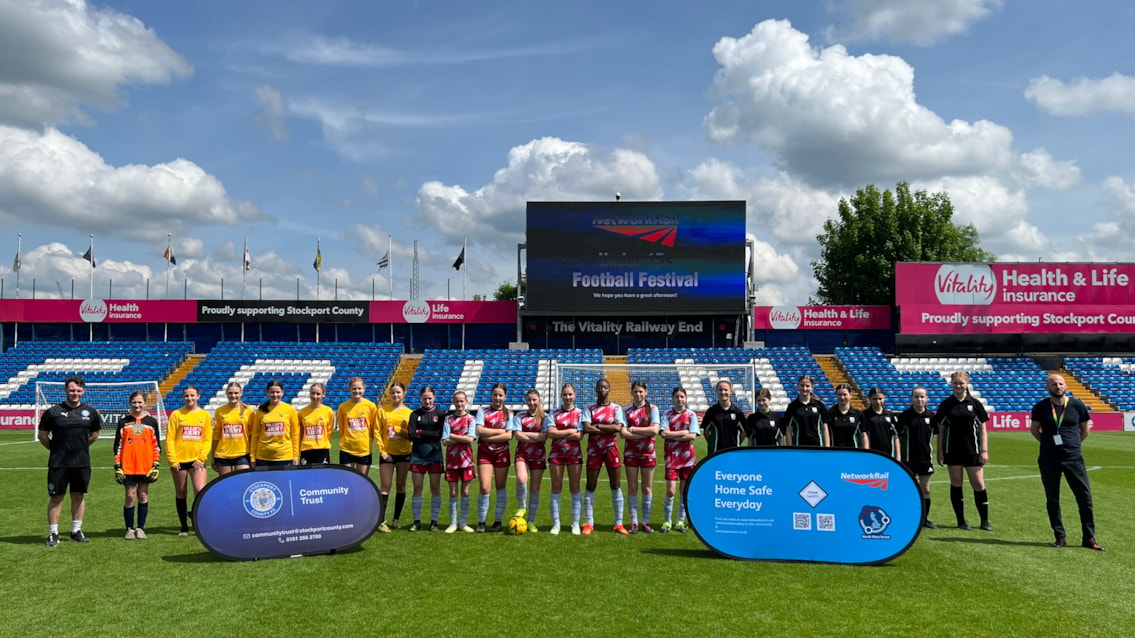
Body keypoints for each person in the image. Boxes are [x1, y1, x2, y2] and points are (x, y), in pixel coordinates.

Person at [1030, 374, 1104, 551]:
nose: (1058, 386)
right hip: (1049, 458)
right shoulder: (1040, 407)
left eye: (1060, 383)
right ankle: (1059, 536)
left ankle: (1089, 538)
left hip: (1073, 458)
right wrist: (1048, 444)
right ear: (1047, 387)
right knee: (1052, 498)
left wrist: (1073, 445)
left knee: (1084, 498)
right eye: (1053, 384)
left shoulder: (1077, 405)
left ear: (1066, 385)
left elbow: (1085, 429)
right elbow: (1034, 430)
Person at [38, 376, 102, 546]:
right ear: (65, 390)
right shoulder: (53, 412)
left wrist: (80, 447)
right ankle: (53, 533)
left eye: (79, 391)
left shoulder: (91, 412)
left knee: (78, 496)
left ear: (83, 391)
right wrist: (57, 449)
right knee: (56, 498)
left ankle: (76, 531)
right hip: (58, 462)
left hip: (81, 462)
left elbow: (94, 435)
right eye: (72, 390)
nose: (75, 393)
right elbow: (43, 436)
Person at [935, 371, 992, 531]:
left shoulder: (975, 404)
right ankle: (961, 520)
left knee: (978, 483)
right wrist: (940, 452)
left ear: (967, 384)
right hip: (952, 450)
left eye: (961, 383)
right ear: (951, 384)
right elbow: (940, 429)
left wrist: (984, 450)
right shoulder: (946, 405)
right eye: (955, 383)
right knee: (956, 483)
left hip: (972, 450)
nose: (958, 386)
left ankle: (985, 520)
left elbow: (982, 429)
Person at [581, 378, 628, 535]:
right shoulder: (589, 408)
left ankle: (619, 524)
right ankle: (589, 523)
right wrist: (609, 429)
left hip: (611, 449)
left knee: (615, 485)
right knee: (591, 485)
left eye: (605, 387)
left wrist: (599, 426)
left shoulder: (616, 408)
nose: (602, 389)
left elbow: (618, 427)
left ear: (609, 389)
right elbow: (587, 428)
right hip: (594, 450)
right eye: (599, 387)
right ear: (596, 389)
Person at [113, 391, 161, 540]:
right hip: (128, 467)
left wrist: (156, 465)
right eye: (134, 402)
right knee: (130, 496)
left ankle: (140, 528)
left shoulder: (152, 422)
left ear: (145, 403)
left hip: (146, 466)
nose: (137, 405)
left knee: (143, 495)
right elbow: (118, 446)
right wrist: (118, 466)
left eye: (140, 402)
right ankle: (129, 529)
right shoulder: (123, 422)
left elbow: (156, 445)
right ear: (130, 403)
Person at [167, 385, 212, 536]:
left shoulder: (204, 415)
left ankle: (197, 520)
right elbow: (170, 439)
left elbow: (207, 439)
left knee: (200, 490)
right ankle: (184, 527)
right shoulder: (176, 414)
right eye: (186, 396)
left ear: (198, 396)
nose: (189, 398)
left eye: (192, 395)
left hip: (197, 460)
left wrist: (201, 458)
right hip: (179, 460)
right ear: (183, 397)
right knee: (181, 492)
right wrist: (173, 460)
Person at [541, 386, 583, 535]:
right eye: (565, 394)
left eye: (570, 394)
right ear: (561, 395)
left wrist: (560, 433)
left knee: (575, 487)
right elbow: (551, 433)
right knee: (556, 487)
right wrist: (570, 431)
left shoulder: (579, 413)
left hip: (574, 454)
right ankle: (556, 524)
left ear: (575, 395)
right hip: (556, 454)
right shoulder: (554, 412)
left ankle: (575, 523)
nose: (567, 397)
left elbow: (579, 436)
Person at [659, 386, 700, 533]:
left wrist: (673, 434)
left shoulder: (691, 415)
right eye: (677, 396)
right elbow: (663, 434)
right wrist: (683, 432)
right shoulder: (667, 414)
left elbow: (692, 436)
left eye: (682, 396)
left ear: (686, 398)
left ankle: (680, 521)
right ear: (673, 398)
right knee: (670, 491)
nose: (680, 399)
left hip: (688, 458)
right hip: (671, 457)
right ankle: (667, 521)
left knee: (684, 492)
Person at [622, 380, 660, 534]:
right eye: (635, 391)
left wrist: (634, 430)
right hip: (631, 453)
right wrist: (644, 431)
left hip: (648, 453)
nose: (638, 394)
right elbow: (623, 433)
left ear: (646, 392)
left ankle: (645, 521)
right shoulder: (626, 410)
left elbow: (655, 431)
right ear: (631, 392)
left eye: (640, 391)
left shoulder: (653, 409)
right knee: (632, 487)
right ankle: (633, 522)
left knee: (647, 487)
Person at [509, 387, 550, 533]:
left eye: (534, 400)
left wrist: (527, 435)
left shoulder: (545, 417)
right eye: (529, 400)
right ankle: (522, 507)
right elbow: (517, 436)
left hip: (538, 455)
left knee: (535, 488)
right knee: (521, 479)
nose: (532, 403)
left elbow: (545, 437)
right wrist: (535, 437)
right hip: (522, 454)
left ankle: (531, 521)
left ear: (539, 401)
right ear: (526, 401)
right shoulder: (520, 416)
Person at [897, 386, 938, 529]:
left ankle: (924, 519)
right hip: (908, 459)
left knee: (925, 489)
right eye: (916, 397)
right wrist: (899, 456)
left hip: (925, 459)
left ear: (927, 398)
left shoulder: (931, 416)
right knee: (909, 489)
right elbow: (898, 436)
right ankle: (907, 517)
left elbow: (937, 435)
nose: (919, 399)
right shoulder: (905, 415)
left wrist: (939, 453)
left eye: (922, 397)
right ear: (911, 398)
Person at [475, 383, 512, 533]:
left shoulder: (509, 413)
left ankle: (497, 521)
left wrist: (488, 435)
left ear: (505, 396)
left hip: (502, 453)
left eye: (500, 395)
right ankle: (481, 522)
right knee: (484, 487)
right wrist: (499, 432)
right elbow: (479, 431)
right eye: (495, 395)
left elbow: (509, 435)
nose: (497, 398)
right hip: (484, 453)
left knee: (500, 487)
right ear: (491, 395)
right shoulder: (482, 410)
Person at [408, 385, 445, 531]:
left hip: (435, 454)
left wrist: (421, 432)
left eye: (430, 398)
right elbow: (411, 435)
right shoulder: (414, 414)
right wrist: (428, 433)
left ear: (434, 398)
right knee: (417, 487)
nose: (427, 401)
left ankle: (434, 522)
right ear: (420, 399)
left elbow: (439, 434)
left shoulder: (440, 414)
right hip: (417, 454)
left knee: (435, 487)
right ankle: (416, 521)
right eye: (425, 398)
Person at [377, 381, 412, 532]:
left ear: (404, 393)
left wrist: (400, 430)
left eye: (398, 392)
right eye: (393, 392)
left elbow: (412, 436)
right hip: (388, 454)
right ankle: (380, 520)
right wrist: (383, 452)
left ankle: (396, 519)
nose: (396, 395)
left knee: (401, 486)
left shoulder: (410, 413)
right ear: (389, 395)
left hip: (404, 453)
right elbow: (377, 433)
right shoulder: (382, 411)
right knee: (385, 487)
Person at [441, 391, 477, 533]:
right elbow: (445, 442)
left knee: (466, 492)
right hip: (452, 461)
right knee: (453, 492)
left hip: (466, 461)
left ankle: (463, 522)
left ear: (466, 402)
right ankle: (453, 522)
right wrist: (463, 437)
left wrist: (453, 436)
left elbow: (470, 439)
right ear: (453, 402)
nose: (459, 404)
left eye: (462, 401)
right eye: (457, 401)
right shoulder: (448, 419)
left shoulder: (470, 419)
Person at [251, 379, 301, 467]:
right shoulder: (260, 410)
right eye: (272, 392)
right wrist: (252, 456)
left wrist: (295, 456)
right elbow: (255, 434)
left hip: (284, 456)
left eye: (277, 392)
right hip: (263, 457)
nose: (275, 395)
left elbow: (295, 434)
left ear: (282, 392)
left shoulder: (290, 409)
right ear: (267, 393)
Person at [336, 377, 379, 474]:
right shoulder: (343, 407)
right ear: (349, 389)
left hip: (364, 449)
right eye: (354, 388)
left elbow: (373, 428)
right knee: (347, 481)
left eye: (359, 388)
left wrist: (366, 441)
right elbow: (342, 428)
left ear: (364, 389)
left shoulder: (371, 406)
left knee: (363, 482)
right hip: (346, 449)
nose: (357, 391)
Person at [211, 382, 253, 475]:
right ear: (226, 393)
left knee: (242, 483)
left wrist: (253, 455)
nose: (233, 396)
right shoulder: (220, 411)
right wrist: (213, 455)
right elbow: (217, 435)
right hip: (223, 454)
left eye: (236, 393)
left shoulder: (248, 410)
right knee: (226, 486)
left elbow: (251, 435)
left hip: (243, 453)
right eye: (230, 393)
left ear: (241, 393)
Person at [701, 379, 747, 454]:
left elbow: (743, 432)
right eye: (720, 390)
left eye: (726, 390)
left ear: (730, 391)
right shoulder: (711, 412)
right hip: (715, 453)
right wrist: (712, 444)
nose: (723, 392)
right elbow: (706, 432)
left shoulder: (738, 413)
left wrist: (736, 443)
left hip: (733, 452)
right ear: (717, 391)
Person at [785, 375, 829, 447]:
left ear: (812, 387)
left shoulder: (820, 405)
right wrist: (790, 448)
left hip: (817, 445)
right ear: (798, 386)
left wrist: (827, 447)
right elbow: (789, 430)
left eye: (807, 386)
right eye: (802, 385)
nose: (804, 388)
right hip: (799, 445)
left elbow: (825, 429)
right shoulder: (792, 406)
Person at [298, 382, 334, 465]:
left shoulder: (328, 411)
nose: (315, 396)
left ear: (323, 394)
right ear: (309, 394)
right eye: (313, 393)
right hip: (306, 449)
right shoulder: (302, 412)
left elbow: (329, 431)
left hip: (322, 449)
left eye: (318, 394)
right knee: (306, 476)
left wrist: (322, 442)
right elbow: (301, 432)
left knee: (322, 476)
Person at [862, 387, 900, 459]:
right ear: (870, 398)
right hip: (872, 454)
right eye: (875, 399)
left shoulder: (890, 415)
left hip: (888, 454)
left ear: (884, 398)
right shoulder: (865, 415)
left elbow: (895, 436)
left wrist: (898, 456)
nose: (878, 402)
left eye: (880, 399)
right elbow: (864, 435)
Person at [827, 384, 867, 449]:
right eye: (839, 395)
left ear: (850, 395)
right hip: (835, 451)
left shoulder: (858, 414)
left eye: (845, 394)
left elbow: (863, 435)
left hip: (853, 452)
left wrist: (865, 452)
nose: (842, 397)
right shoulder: (830, 413)